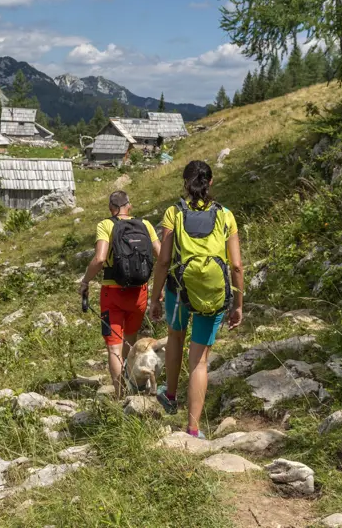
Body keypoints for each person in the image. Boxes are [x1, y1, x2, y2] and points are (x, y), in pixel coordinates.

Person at [149, 160, 244, 439]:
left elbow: (164, 260)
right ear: (210, 182)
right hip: (213, 293)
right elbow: (236, 266)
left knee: (175, 336)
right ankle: (192, 430)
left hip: (178, 289)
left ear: (185, 184)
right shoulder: (226, 215)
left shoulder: (173, 213)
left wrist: (154, 298)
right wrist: (238, 304)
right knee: (199, 361)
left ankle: (169, 394)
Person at [79, 190, 161, 397]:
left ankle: (120, 395)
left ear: (110, 208)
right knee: (130, 342)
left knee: (114, 348)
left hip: (112, 293)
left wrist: (85, 281)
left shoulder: (105, 225)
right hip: (139, 293)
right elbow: (161, 255)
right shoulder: (146, 225)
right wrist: (160, 288)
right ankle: (132, 385)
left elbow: (99, 259)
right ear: (129, 206)